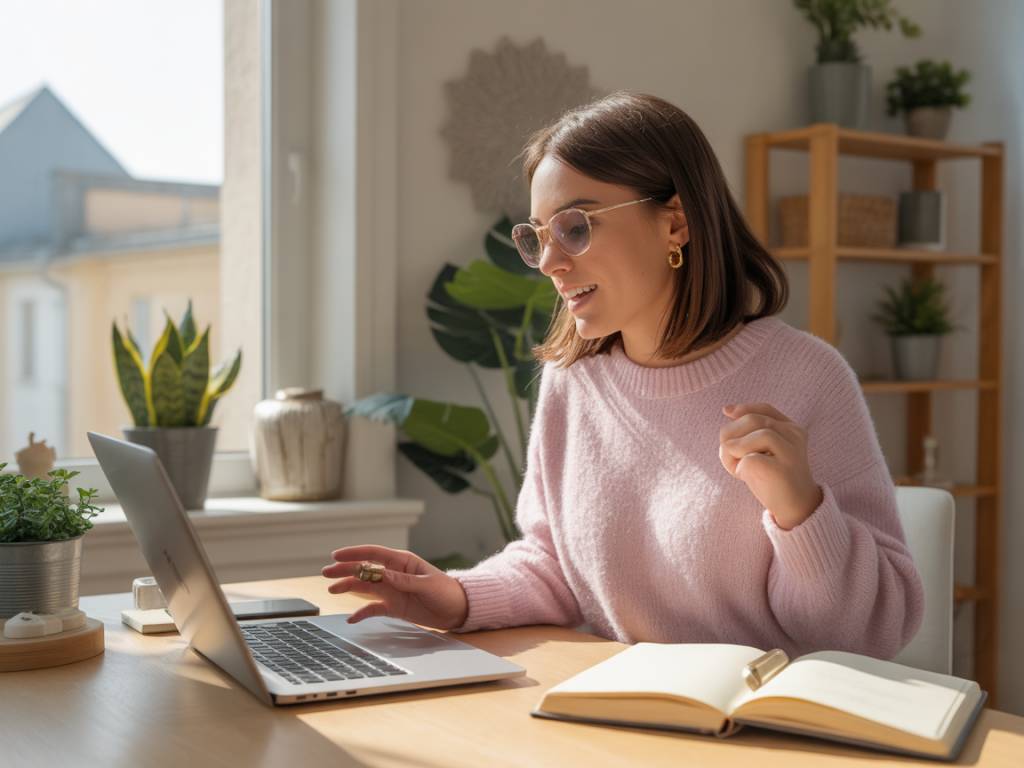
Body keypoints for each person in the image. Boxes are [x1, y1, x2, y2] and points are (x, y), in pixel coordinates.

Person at [322, 91, 924, 659]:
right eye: (537, 238)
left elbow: (876, 634)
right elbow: (553, 563)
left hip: (768, 718)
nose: (550, 262)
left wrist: (801, 512)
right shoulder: (573, 381)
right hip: (624, 711)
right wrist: (455, 598)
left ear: (675, 223)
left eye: (575, 227)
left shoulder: (809, 378)